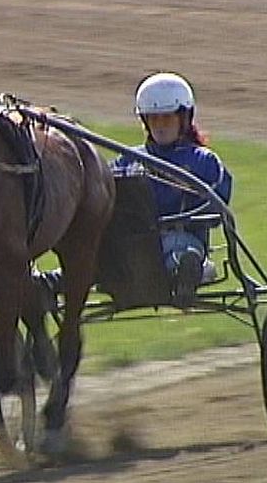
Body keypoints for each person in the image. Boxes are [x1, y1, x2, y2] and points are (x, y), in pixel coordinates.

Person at [39, 72, 232, 308]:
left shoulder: (202, 160)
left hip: (178, 236)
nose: (160, 126)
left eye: (167, 118)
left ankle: (187, 272)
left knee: (179, 250)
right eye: (154, 119)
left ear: (184, 118)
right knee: (93, 255)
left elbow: (218, 206)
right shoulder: (129, 158)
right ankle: (49, 283)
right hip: (129, 246)